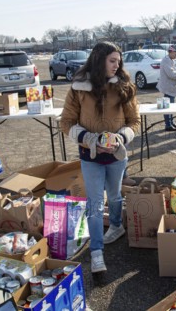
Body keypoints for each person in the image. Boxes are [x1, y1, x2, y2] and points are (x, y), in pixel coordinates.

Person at [60, 42, 140, 273]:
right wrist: (88, 138)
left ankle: (116, 225)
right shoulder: (79, 87)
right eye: (112, 60)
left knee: (114, 196)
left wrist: (120, 138)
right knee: (95, 203)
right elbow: (66, 122)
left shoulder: (124, 85)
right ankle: (97, 254)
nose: (117, 65)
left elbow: (134, 121)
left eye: (118, 61)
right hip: (90, 155)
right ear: (99, 60)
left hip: (117, 155)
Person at [157, 44, 176, 131]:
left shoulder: (169, 60)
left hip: (169, 87)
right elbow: (172, 74)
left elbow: (173, 73)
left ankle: (170, 122)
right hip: (167, 87)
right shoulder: (166, 60)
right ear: (171, 52)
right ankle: (168, 124)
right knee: (167, 106)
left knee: (170, 105)